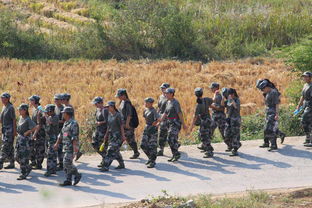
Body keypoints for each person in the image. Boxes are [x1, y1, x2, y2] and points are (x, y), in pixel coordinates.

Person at [54, 107, 82, 186]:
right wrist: (56, 143)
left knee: (66, 163)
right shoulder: (66, 123)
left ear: (67, 114)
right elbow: (61, 135)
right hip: (65, 147)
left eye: (64, 113)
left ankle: (77, 174)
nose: (62, 114)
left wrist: (75, 150)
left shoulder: (73, 123)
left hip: (70, 147)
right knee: (66, 164)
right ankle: (68, 180)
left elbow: (74, 138)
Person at [157, 88, 187, 162]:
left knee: (170, 138)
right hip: (169, 122)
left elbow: (180, 113)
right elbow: (165, 113)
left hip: (175, 123)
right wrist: (159, 122)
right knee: (171, 139)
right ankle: (175, 154)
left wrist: (183, 124)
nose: (165, 94)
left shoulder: (175, 102)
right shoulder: (168, 102)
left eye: (167, 93)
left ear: (171, 94)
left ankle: (176, 154)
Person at [100, 101, 126, 172]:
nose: (107, 108)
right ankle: (121, 164)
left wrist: (123, 136)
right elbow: (108, 126)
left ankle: (105, 166)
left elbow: (121, 126)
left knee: (110, 150)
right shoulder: (109, 114)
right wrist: (106, 135)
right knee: (116, 151)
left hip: (118, 136)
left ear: (112, 107)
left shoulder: (118, 115)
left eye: (108, 107)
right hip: (111, 135)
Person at [190, 88, 215, 158]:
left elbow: (195, 117)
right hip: (209, 120)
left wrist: (191, 126)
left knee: (204, 137)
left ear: (195, 95)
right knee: (206, 135)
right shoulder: (206, 99)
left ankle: (209, 151)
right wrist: (216, 94)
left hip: (204, 122)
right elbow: (213, 100)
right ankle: (205, 147)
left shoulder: (198, 105)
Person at [256, 79, 281, 151]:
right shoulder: (268, 92)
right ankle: (266, 143)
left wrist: (276, 114)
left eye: (263, 89)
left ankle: (273, 145)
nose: (262, 91)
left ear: (267, 87)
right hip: (268, 112)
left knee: (270, 129)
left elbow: (277, 104)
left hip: (273, 112)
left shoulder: (273, 92)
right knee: (266, 128)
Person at [116, 89, 140, 159]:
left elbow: (129, 115)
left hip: (128, 125)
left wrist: (127, 125)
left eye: (119, 96)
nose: (118, 97)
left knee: (127, 139)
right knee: (129, 139)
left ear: (124, 95)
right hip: (123, 124)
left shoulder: (127, 103)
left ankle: (114, 152)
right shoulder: (122, 102)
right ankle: (136, 152)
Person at [15, 104, 37, 180]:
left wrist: (28, 132)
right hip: (19, 139)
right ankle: (28, 167)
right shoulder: (21, 117)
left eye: (20, 110)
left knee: (23, 157)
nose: (19, 111)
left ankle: (23, 173)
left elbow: (35, 127)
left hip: (25, 140)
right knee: (17, 157)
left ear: (25, 110)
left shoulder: (28, 119)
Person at [61, 93, 83, 161]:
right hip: (67, 125)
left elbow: (68, 118)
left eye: (63, 99)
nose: (61, 100)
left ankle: (74, 153)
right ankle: (77, 152)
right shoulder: (65, 106)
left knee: (71, 139)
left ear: (66, 100)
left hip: (70, 126)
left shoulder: (69, 107)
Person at [141, 98, 160, 168]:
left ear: (151, 103)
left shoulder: (154, 111)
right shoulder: (145, 110)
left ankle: (152, 161)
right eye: (145, 102)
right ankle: (150, 158)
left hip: (152, 129)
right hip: (147, 128)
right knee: (143, 145)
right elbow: (145, 118)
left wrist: (154, 125)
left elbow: (158, 119)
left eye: (146, 102)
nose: (145, 104)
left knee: (152, 146)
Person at [223, 88, 242, 156]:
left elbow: (237, 107)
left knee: (235, 134)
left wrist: (232, 100)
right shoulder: (228, 100)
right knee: (226, 134)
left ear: (233, 94)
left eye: (229, 95)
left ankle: (235, 149)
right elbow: (223, 105)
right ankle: (236, 144)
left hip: (235, 120)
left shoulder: (237, 100)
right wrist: (223, 98)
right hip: (229, 119)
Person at [0, 93, 17, 170]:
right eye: (1, 98)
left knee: (5, 147)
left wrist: (14, 131)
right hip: (4, 129)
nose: (2, 100)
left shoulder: (11, 108)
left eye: (3, 98)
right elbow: (2, 119)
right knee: (9, 147)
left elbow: (14, 120)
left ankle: (0, 162)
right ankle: (12, 163)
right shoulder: (4, 107)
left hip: (9, 130)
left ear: (7, 99)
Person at [29, 95, 46, 169]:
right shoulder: (35, 109)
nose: (30, 102)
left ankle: (39, 164)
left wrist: (35, 133)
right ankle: (34, 162)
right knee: (32, 147)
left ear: (35, 101)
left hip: (40, 132)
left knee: (39, 149)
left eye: (31, 100)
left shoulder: (40, 109)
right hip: (35, 131)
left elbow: (40, 124)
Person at [91, 96, 109, 167]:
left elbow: (107, 121)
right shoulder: (97, 110)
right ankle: (105, 157)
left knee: (103, 146)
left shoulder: (105, 110)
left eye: (96, 103)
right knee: (94, 144)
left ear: (101, 103)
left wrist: (100, 123)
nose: (95, 105)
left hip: (104, 131)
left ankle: (105, 160)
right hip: (98, 130)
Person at [296, 72, 312, 146]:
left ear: (310, 77)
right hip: (306, 105)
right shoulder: (305, 85)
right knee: (305, 123)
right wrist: (299, 105)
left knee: (305, 121)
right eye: (304, 77)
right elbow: (302, 96)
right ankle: (308, 138)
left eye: (306, 77)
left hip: (310, 106)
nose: (304, 78)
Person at [43, 104, 59, 177]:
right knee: (52, 154)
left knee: (50, 155)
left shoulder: (55, 117)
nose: (46, 113)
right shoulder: (50, 117)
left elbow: (50, 123)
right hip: (50, 137)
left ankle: (50, 170)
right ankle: (53, 169)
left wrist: (46, 117)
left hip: (53, 138)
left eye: (48, 112)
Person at [209, 82, 227, 147]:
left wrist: (211, 106)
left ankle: (231, 145)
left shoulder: (218, 96)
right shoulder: (216, 95)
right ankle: (206, 145)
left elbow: (221, 108)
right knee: (210, 130)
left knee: (223, 132)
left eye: (212, 88)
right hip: (215, 116)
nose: (211, 89)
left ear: (216, 88)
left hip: (220, 117)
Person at [157, 83, 170, 156]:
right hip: (162, 118)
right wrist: (156, 115)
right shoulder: (161, 97)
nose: (162, 89)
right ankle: (161, 149)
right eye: (161, 88)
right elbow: (159, 107)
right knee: (162, 133)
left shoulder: (169, 98)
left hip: (169, 118)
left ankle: (176, 144)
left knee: (171, 134)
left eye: (164, 88)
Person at [54, 94, 64, 171]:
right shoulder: (55, 108)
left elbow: (63, 120)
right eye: (55, 99)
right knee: (57, 147)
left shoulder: (63, 109)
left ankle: (61, 164)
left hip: (62, 130)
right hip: (56, 130)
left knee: (60, 147)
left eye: (57, 99)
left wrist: (54, 121)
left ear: (61, 100)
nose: (55, 101)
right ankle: (60, 162)